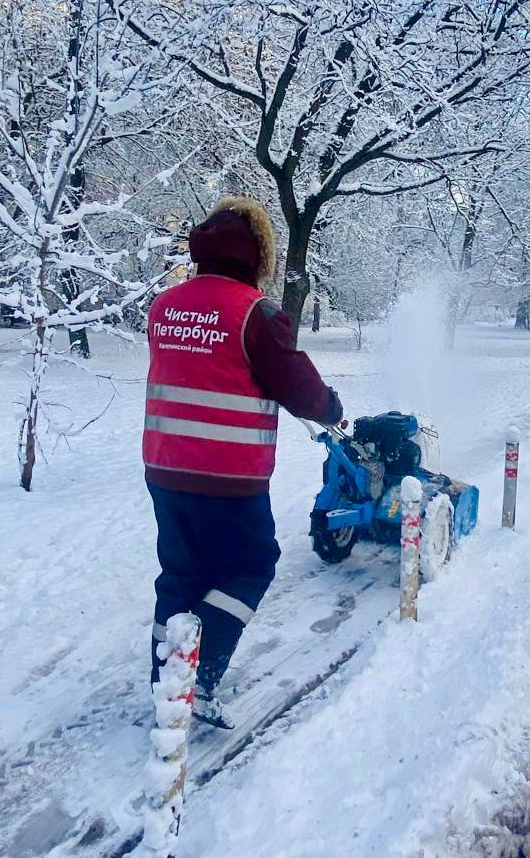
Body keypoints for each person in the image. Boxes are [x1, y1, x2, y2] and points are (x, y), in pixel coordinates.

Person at [143, 196, 342, 728]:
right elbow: (299, 389)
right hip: (227, 477)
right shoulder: (256, 313)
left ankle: (165, 681)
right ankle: (197, 675)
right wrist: (330, 407)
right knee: (251, 564)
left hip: (163, 468)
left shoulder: (165, 306)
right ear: (258, 256)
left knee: (181, 572)